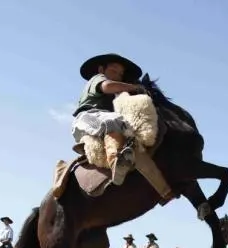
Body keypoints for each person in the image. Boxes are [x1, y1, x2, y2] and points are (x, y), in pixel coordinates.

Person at [71, 53, 173, 201]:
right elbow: (107, 86)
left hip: (106, 122)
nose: (118, 76)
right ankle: (115, 162)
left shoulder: (116, 96)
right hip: (87, 118)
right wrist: (135, 87)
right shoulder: (97, 79)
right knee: (114, 120)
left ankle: (164, 190)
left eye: (120, 74)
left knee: (135, 145)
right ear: (101, 69)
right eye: (113, 71)